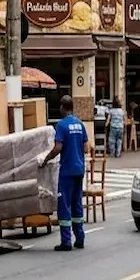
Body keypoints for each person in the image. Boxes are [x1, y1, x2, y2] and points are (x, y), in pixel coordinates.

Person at [38, 94, 88, 251]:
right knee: (77, 203)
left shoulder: (61, 125)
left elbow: (58, 147)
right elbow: (86, 148)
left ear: (62, 107)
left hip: (67, 171)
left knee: (64, 205)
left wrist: (46, 159)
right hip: (79, 170)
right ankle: (79, 238)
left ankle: (66, 241)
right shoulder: (80, 124)